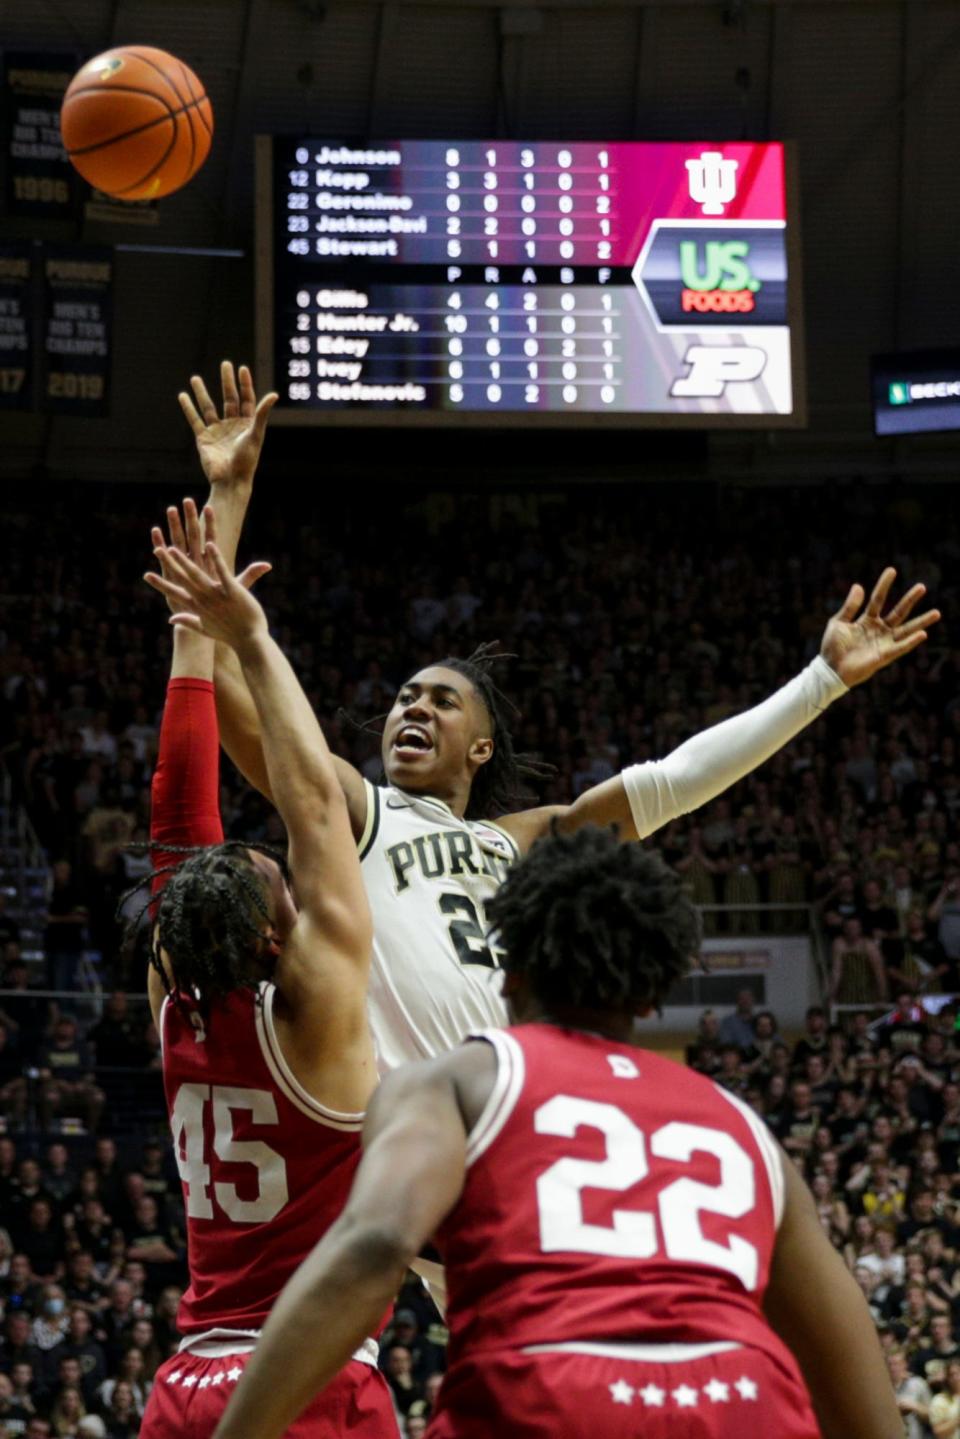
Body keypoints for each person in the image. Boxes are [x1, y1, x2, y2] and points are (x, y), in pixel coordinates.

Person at [182, 363, 940, 1071]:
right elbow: (224, 683)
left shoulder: (526, 840)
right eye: (407, 696)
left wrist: (822, 681)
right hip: (389, 1111)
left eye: (442, 699)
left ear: (480, 748)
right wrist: (230, 492)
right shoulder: (356, 808)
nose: (414, 705)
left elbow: (674, 782)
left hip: (509, 1106)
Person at [210, 829, 901, 1439]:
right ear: (653, 992)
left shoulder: (455, 1081)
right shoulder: (745, 1129)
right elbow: (857, 1393)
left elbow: (374, 1246)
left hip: (548, 1389)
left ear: (505, 963)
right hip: (740, 1399)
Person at [127, 500, 394, 1438]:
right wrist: (252, 634)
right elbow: (316, 802)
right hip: (307, 1378)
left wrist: (196, 615)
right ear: (279, 938)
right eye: (278, 882)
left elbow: (176, 811)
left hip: (189, 1387)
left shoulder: (178, 1005)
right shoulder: (315, 1017)